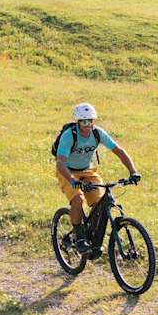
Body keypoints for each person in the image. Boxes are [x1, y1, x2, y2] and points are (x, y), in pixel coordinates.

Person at [55, 103, 139, 253]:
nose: (88, 125)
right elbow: (60, 162)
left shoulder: (97, 133)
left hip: (88, 171)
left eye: (91, 121)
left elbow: (119, 151)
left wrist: (133, 172)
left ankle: (93, 239)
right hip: (67, 171)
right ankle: (80, 237)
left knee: (100, 204)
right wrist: (72, 181)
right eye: (84, 122)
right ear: (78, 122)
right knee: (78, 200)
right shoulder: (69, 136)